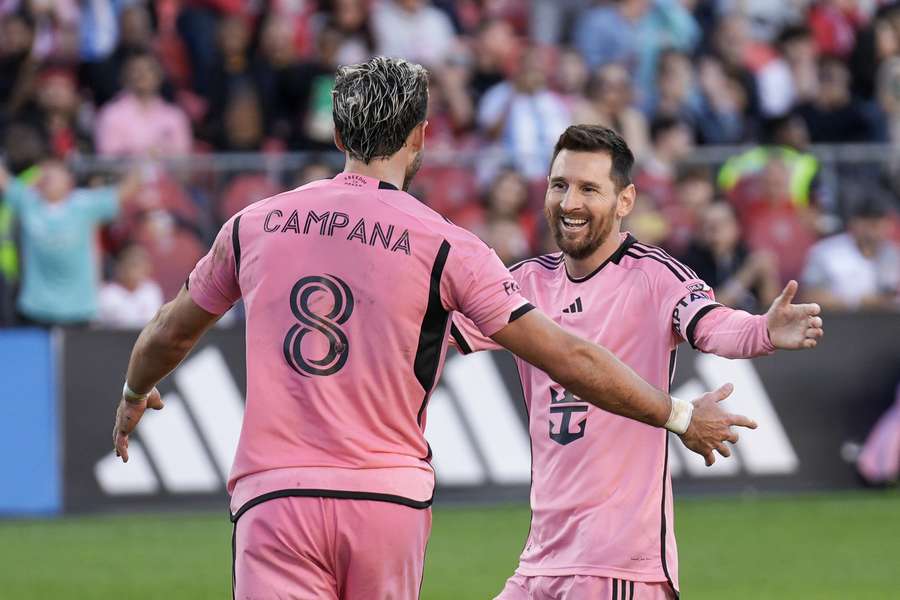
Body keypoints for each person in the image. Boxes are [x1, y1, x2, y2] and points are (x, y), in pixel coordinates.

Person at [111, 58, 753, 599]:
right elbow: (567, 357)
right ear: (419, 137)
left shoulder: (256, 224)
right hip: (387, 499)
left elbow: (169, 332)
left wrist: (136, 391)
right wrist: (675, 415)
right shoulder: (449, 246)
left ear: (340, 134)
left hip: (276, 495)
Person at [451, 125, 824, 600]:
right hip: (540, 562)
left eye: (589, 189)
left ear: (625, 201)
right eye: (559, 184)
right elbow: (432, 332)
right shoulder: (525, 281)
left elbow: (709, 324)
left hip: (618, 566)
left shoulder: (654, 274)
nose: (569, 203)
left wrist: (761, 332)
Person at [0, 159, 142, 325]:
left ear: (69, 179)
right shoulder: (29, 202)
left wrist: (141, 162)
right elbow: (4, 181)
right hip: (36, 308)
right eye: (45, 174)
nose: (47, 177)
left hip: (79, 310)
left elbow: (125, 192)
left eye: (54, 173)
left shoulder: (85, 204)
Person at [801, 195, 900, 311]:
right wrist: (857, 302)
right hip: (839, 324)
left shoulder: (893, 254)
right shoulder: (826, 252)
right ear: (854, 223)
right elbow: (809, 297)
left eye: (879, 223)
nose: (874, 230)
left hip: (887, 325)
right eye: (869, 223)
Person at [96, 244, 164, 329]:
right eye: (132, 265)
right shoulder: (107, 293)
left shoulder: (152, 290)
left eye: (139, 265)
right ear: (120, 267)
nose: (135, 271)